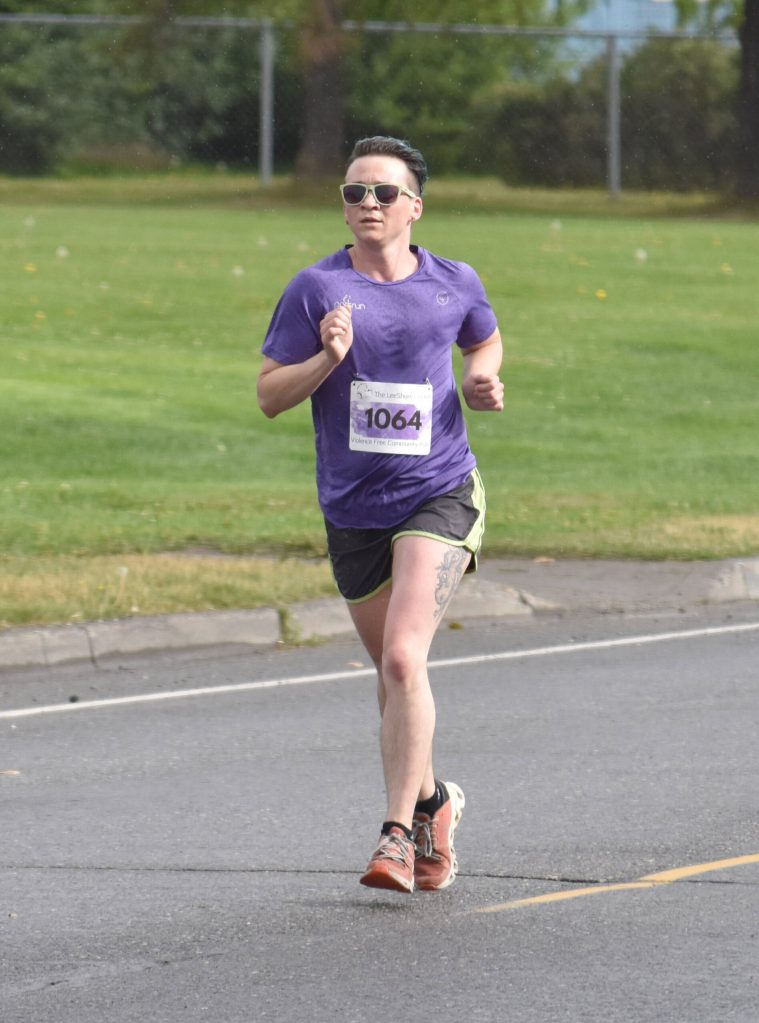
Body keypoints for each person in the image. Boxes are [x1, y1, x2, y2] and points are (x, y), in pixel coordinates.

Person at [257, 136, 503, 894]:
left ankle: (395, 835)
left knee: (403, 659)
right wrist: (326, 359)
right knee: (395, 676)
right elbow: (269, 394)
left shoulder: (451, 282)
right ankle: (435, 803)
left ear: (413, 209)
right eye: (353, 192)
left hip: (439, 491)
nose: (366, 203)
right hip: (353, 507)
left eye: (383, 194)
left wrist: (481, 378)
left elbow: (483, 336)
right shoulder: (314, 288)